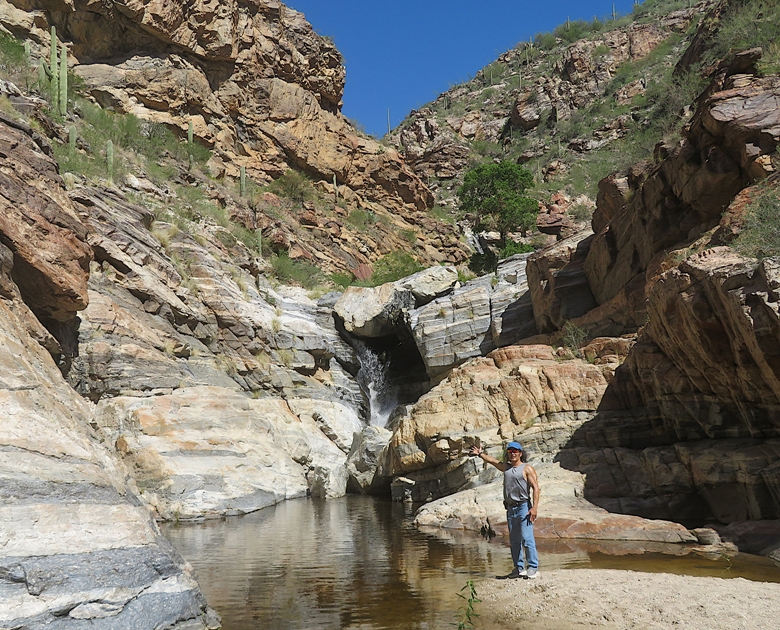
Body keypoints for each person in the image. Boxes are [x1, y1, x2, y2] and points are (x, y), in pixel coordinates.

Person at [469, 440, 540, 579]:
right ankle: (519, 568)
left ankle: (533, 567)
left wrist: (535, 508)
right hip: (511, 508)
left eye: (515, 451)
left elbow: (536, 488)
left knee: (527, 538)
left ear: (520, 453)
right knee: (514, 540)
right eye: (510, 451)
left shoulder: (527, 468)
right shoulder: (506, 468)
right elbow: (493, 461)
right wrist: (480, 454)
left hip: (524, 506)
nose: (512, 453)